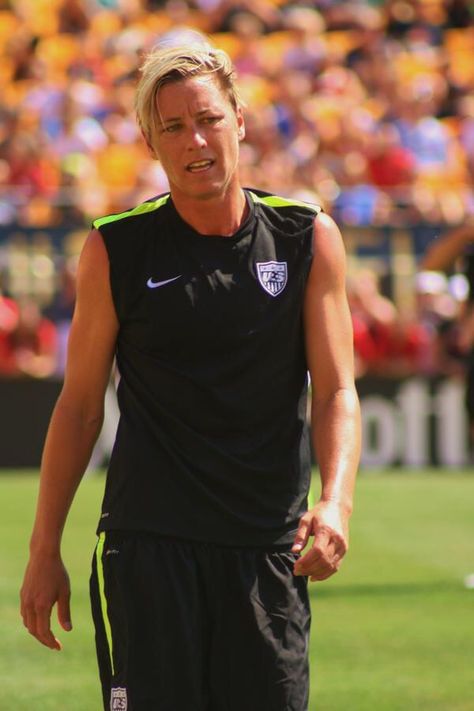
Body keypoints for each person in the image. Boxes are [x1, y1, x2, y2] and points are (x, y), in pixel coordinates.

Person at [20, 39, 361, 711]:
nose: (194, 140)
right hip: (148, 551)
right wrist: (43, 547)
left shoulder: (307, 236)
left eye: (207, 118)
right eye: (172, 127)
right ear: (150, 143)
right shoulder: (115, 247)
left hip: (266, 551)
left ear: (239, 118)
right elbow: (80, 406)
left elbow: (339, 389)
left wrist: (337, 500)